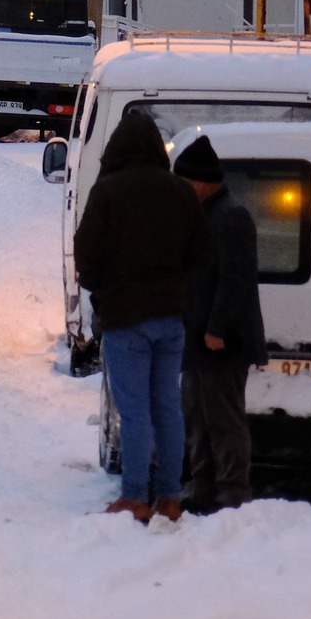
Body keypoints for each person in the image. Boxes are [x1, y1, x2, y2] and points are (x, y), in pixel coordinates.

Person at [73, 111, 205, 524]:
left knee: (134, 411)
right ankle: (169, 498)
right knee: (167, 407)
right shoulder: (180, 191)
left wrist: (101, 288)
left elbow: (86, 254)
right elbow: (201, 253)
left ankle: (134, 496)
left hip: (125, 317)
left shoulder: (108, 191)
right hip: (171, 318)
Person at [173, 135, 268, 512]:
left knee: (224, 420)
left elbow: (236, 279)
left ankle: (232, 493)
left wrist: (216, 328)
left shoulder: (232, 218)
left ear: (200, 182)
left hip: (223, 342)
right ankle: (203, 488)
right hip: (197, 339)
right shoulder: (199, 216)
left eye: (184, 181)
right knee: (197, 416)